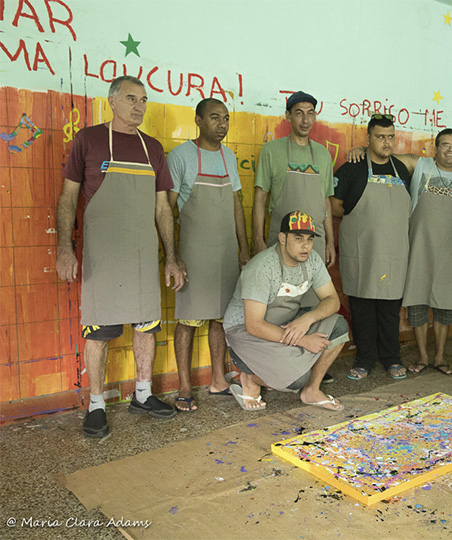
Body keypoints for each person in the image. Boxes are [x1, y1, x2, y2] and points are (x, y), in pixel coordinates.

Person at [56, 75, 185, 438]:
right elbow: (68, 197)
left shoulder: (153, 148)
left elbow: (162, 208)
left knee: (147, 327)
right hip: (103, 254)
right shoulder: (89, 140)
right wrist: (65, 247)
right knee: (98, 331)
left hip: (144, 254)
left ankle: (142, 394)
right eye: (131, 98)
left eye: (143, 99)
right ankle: (96, 404)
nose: (139, 106)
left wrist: (171, 256)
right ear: (112, 101)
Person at [344, 129, 452, 375]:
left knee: (445, 307)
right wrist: (363, 150)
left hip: (448, 253)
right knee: (418, 305)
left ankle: (440, 358)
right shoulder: (421, 165)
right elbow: (385, 156)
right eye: (445, 145)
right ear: (436, 148)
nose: (450, 150)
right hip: (418, 249)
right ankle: (423, 357)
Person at [167, 98, 250, 412]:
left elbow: (236, 207)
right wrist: (172, 254)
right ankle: (185, 386)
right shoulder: (181, 156)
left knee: (219, 319)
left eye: (226, 119)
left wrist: (243, 249)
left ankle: (218, 380)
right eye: (215, 118)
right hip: (194, 252)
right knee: (188, 320)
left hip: (226, 251)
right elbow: (167, 208)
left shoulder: (230, 157)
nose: (222, 124)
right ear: (198, 120)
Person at [222, 211, 349, 411]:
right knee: (295, 380)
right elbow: (254, 325)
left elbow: (332, 300)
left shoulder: (312, 260)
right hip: (245, 332)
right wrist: (302, 340)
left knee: (338, 325)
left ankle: (311, 391)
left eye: (309, 239)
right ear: (282, 238)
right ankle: (250, 378)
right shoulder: (262, 268)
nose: (305, 246)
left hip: (284, 323)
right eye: (298, 239)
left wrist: (307, 319)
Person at [331, 114, 411, 380]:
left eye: (390, 137)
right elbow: (335, 205)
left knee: (390, 309)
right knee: (363, 308)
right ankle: (364, 359)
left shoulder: (401, 168)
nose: (386, 142)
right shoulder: (352, 168)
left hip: (393, 255)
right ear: (368, 139)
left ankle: (391, 358)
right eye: (380, 137)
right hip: (363, 253)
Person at [253, 91, 335, 266]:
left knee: (313, 291)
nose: (305, 120)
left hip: (315, 244)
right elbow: (260, 198)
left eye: (310, 113)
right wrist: (258, 240)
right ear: (288, 116)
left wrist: (330, 242)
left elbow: (326, 200)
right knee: (280, 292)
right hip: (281, 242)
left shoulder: (323, 154)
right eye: (299, 113)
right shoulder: (271, 150)